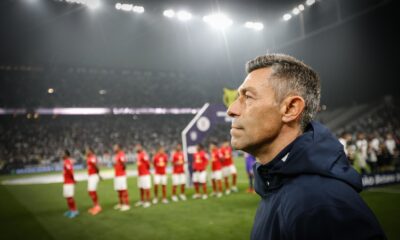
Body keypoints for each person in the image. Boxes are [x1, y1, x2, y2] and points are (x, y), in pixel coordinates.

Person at [227, 53, 386, 239]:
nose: (232, 109)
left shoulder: (321, 204)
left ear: (290, 109)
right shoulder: (276, 184)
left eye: (248, 97)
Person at [113, 144, 130, 211]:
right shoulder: (117, 155)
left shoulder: (121, 154)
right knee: (119, 190)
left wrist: (122, 171)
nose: (114, 148)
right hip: (117, 175)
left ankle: (126, 204)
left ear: (119, 148)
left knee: (123, 189)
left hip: (121, 175)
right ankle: (121, 203)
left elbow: (124, 164)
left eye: (115, 147)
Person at [62, 150, 79, 218]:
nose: (61, 155)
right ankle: (70, 210)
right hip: (66, 182)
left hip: (69, 182)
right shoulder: (66, 162)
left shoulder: (67, 162)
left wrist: (73, 180)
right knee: (67, 197)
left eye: (63, 154)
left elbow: (70, 172)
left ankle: (74, 211)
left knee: (70, 197)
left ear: (66, 155)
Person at [86, 147, 102, 215]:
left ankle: (97, 206)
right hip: (91, 176)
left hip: (93, 176)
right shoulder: (89, 158)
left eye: (88, 151)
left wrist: (98, 174)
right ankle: (95, 205)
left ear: (91, 151)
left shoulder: (92, 157)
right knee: (90, 191)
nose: (86, 152)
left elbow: (96, 166)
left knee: (92, 191)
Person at [135, 144, 151, 208]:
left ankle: (148, 201)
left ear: (141, 148)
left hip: (145, 174)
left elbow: (148, 164)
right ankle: (142, 200)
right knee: (141, 187)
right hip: (140, 174)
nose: (137, 148)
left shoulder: (144, 154)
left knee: (146, 187)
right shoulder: (138, 155)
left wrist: (145, 170)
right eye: (136, 147)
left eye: (138, 147)